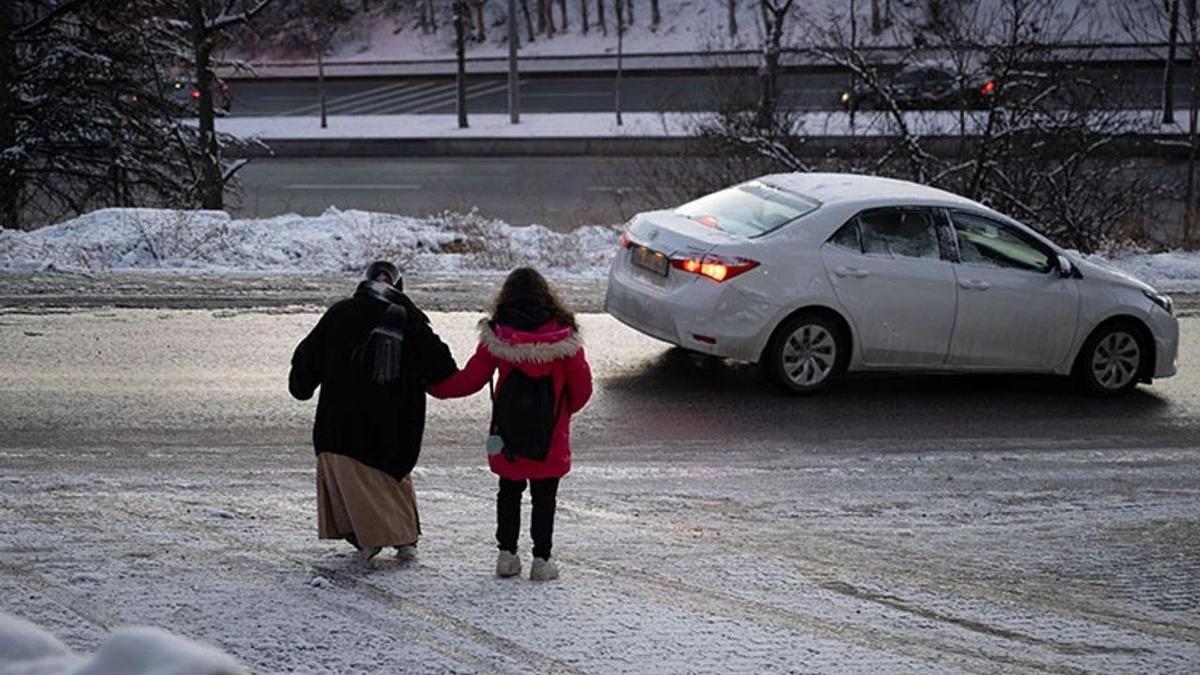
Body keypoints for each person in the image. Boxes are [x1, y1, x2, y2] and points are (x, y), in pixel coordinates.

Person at [430, 267, 592, 581]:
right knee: (545, 498)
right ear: (548, 296)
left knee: (509, 492)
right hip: (550, 437)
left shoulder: (498, 336)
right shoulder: (565, 338)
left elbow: (470, 380)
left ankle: (507, 555)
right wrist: (562, 414)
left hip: (508, 434)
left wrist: (433, 386)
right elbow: (583, 389)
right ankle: (542, 561)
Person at [289, 261, 457, 564]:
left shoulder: (340, 313)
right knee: (392, 480)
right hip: (394, 432)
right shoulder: (409, 320)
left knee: (354, 482)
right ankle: (404, 539)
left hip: (341, 427)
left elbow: (305, 364)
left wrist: (302, 386)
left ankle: (367, 537)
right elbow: (441, 368)